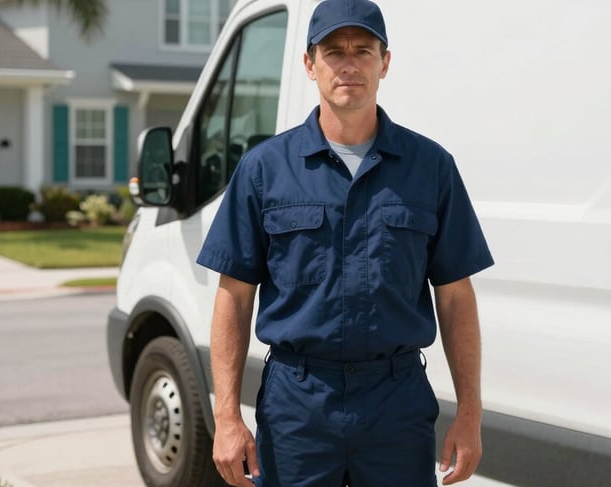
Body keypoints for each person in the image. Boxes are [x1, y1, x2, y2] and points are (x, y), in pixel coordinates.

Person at [196, 0, 494, 485]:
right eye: (334, 51)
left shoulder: (431, 168)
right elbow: (233, 296)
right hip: (298, 405)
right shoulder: (264, 170)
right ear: (310, 65)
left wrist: (470, 412)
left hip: (396, 402)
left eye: (363, 50)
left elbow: (456, 297)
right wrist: (227, 416)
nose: (349, 64)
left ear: (385, 62)